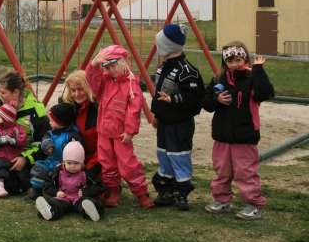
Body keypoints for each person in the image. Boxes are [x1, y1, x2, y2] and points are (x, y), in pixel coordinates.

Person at [202, 41, 274, 220]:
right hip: (222, 135)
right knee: (222, 170)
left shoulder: (252, 78)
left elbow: (265, 93)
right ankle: (222, 200)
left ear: (245, 59)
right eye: (230, 60)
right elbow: (206, 103)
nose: (235, 64)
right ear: (225, 62)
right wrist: (216, 99)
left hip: (245, 135)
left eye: (238, 59)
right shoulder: (219, 79)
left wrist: (258, 70)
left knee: (245, 172)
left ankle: (253, 204)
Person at [86, 44, 154, 209]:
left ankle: (141, 193)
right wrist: (93, 64)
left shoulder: (131, 85)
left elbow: (134, 110)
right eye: (107, 67)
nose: (110, 70)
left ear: (123, 63)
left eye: (113, 66)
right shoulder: (105, 82)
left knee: (127, 164)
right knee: (107, 162)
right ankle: (113, 190)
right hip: (104, 131)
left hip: (121, 134)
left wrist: (130, 131)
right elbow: (92, 82)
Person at [150, 24, 204, 210]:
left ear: (167, 46)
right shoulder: (162, 68)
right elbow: (159, 93)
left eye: (159, 43)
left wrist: (173, 99)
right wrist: (156, 114)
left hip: (180, 124)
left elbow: (195, 99)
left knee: (179, 156)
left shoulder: (187, 71)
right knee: (164, 155)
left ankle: (182, 193)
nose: (157, 47)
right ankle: (166, 191)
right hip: (164, 122)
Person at [0, 71, 49, 195]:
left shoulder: (36, 111)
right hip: (0, 154)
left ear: (16, 92)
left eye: (3, 92)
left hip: (22, 158)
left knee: (12, 180)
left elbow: (44, 142)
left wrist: (25, 158)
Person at [35, 141, 105, 222]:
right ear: (64, 162)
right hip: (63, 197)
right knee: (55, 204)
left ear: (82, 164)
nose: (72, 166)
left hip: (79, 199)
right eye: (69, 163)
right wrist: (56, 192)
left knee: (87, 203)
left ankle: (92, 211)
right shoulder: (57, 173)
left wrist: (86, 191)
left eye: (76, 163)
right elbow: (47, 185)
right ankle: (49, 211)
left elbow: (99, 186)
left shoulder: (86, 174)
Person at [60, 70, 102, 199]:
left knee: (93, 183)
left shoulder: (98, 109)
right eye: (73, 90)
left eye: (80, 89)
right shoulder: (69, 109)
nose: (76, 94)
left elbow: (103, 144)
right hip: (75, 158)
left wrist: (89, 166)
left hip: (97, 158)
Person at [28, 103, 80, 198]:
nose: (49, 122)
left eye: (52, 120)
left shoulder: (72, 135)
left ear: (60, 122)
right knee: (39, 169)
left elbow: (76, 150)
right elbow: (45, 139)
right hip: (50, 160)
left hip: (64, 164)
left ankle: (53, 192)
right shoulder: (50, 133)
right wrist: (48, 146)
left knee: (57, 176)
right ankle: (37, 189)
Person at [0, 103, 28, 197]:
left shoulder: (18, 129)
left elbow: (23, 140)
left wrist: (13, 140)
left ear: (6, 119)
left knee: (19, 173)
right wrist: (0, 140)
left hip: (14, 158)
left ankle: (20, 187)